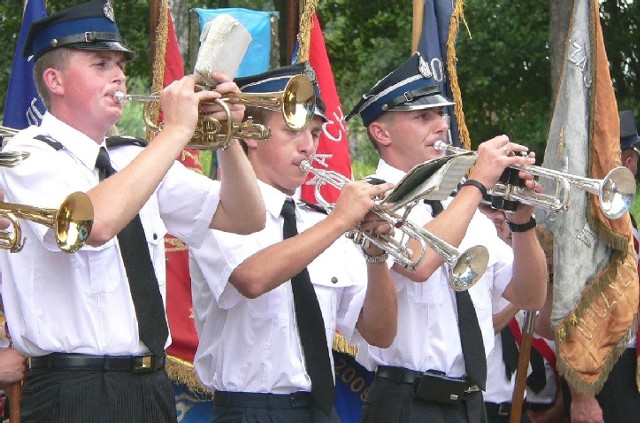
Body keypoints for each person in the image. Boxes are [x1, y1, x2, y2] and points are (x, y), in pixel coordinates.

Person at [0, 1, 265, 422]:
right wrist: (176, 130)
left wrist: (226, 134)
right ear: (55, 80)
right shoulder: (24, 156)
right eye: (101, 64)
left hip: (150, 384)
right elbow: (96, 224)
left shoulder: (134, 159)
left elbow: (246, 218)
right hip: (74, 390)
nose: (119, 75)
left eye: (121, 64)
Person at [188, 62, 398, 423]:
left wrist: (376, 253)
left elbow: (380, 332)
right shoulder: (216, 206)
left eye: (315, 133)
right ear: (250, 134)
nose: (308, 147)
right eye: (293, 131)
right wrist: (339, 221)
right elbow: (252, 278)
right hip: (249, 409)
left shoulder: (320, 222)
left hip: (321, 409)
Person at [345, 52, 548, 423]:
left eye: (441, 114)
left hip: (471, 402)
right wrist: (478, 182)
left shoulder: (458, 204)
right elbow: (419, 262)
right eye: (423, 117)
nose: (441, 125)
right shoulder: (370, 198)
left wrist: (522, 221)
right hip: (407, 400)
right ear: (381, 132)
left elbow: (529, 295)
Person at [562, 109, 640, 423]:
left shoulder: (625, 221)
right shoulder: (584, 223)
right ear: (629, 161)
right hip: (603, 372)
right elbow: (568, 309)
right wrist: (583, 397)